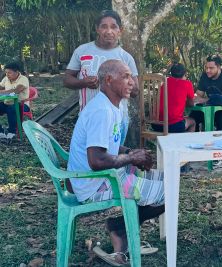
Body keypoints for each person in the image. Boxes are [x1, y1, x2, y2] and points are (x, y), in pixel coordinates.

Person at [67, 60, 165, 265]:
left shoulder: (113, 105)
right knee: (170, 192)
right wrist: (131, 158)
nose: (132, 82)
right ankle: (120, 228)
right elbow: (96, 160)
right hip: (94, 183)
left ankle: (120, 228)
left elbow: (109, 146)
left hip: (105, 176)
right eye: (126, 76)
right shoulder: (101, 111)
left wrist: (131, 152)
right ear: (109, 80)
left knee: (169, 180)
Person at [63, 10, 138, 143]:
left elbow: (136, 91)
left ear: (120, 30)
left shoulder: (126, 57)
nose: (109, 31)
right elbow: (67, 80)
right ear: (97, 29)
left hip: (118, 120)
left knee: (112, 157)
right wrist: (84, 83)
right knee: (91, 160)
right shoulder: (82, 51)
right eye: (104, 26)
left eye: (114, 27)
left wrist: (118, 85)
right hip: (88, 117)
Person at [192, 55, 222, 130]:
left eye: (211, 68)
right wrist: (196, 98)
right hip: (210, 108)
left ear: (219, 67)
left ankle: (220, 141)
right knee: (193, 116)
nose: (207, 70)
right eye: (206, 68)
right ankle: (196, 140)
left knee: (221, 119)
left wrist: (205, 100)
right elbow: (198, 95)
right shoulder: (204, 76)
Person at [151, 63, 196, 133]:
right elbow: (191, 104)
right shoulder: (187, 84)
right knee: (192, 122)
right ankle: (185, 143)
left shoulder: (165, 83)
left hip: (156, 124)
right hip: (173, 126)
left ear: (171, 74)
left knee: (181, 119)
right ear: (184, 74)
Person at [0, 62, 30, 139]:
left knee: (11, 108)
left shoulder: (23, 79)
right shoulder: (6, 78)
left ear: (17, 72)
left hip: (22, 105)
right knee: (8, 107)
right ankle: (1, 131)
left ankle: (12, 132)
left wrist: (2, 92)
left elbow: (16, 91)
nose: (7, 74)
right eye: (6, 72)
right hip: (7, 102)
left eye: (9, 72)